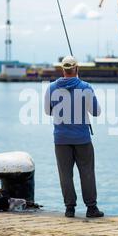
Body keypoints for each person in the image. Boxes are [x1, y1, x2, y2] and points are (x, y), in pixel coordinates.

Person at [44, 55, 104, 218]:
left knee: (65, 174)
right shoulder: (86, 87)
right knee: (87, 173)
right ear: (76, 69)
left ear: (63, 70)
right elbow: (96, 112)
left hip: (61, 139)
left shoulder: (51, 88)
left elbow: (47, 111)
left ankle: (69, 208)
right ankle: (91, 208)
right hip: (82, 139)